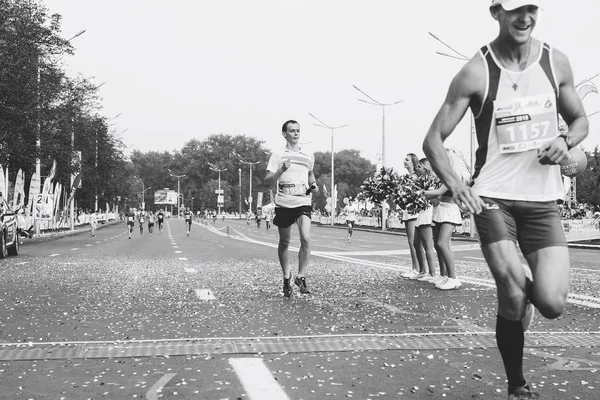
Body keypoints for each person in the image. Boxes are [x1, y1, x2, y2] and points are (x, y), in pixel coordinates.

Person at [422, 1, 589, 398]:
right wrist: (457, 184)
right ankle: (517, 384)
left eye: (531, 8)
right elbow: (432, 140)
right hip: (492, 198)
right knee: (512, 292)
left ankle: (526, 296)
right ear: (496, 12)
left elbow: (580, 121)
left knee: (551, 303)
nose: (524, 18)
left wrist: (565, 142)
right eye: (515, 10)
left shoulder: (556, 62)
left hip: (543, 200)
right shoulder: (476, 71)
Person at [265, 119, 318, 297]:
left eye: (298, 130)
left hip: (303, 201)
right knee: (285, 242)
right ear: (284, 134)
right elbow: (267, 181)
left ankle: (301, 276)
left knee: (306, 237)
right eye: (292, 131)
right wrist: (281, 170)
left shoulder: (308, 156)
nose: (296, 134)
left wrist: (314, 185)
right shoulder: (277, 155)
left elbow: (310, 175)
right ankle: (287, 277)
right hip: (284, 203)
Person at [424, 148, 464, 290]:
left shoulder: (452, 176)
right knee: (437, 245)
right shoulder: (444, 175)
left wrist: (421, 192)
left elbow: (439, 192)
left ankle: (453, 278)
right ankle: (445, 275)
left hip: (450, 211)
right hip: (442, 209)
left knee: (442, 243)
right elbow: (440, 195)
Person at [400, 154, 427, 280]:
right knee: (412, 242)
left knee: (413, 242)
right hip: (407, 210)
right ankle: (415, 268)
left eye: (407, 160)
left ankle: (417, 269)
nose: (404, 162)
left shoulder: (415, 177)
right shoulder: (408, 177)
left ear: (413, 162)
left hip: (414, 211)